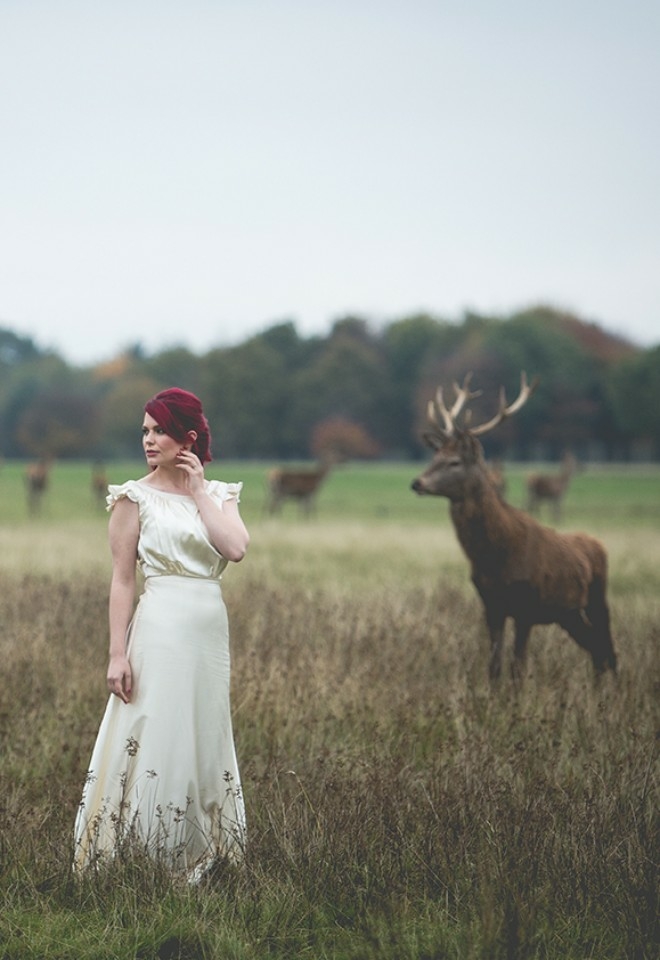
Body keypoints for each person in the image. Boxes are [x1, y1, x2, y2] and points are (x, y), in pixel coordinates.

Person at [74, 388, 249, 879]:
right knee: (158, 726)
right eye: (145, 431)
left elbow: (234, 549)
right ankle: (144, 854)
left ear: (187, 438)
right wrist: (116, 654)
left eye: (159, 431)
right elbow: (123, 580)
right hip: (160, 628)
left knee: (204, 729)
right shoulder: (133, 497)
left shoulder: (220, 496)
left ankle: (205, 852)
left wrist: (197, 492)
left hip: (209, 631)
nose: (148, 440)